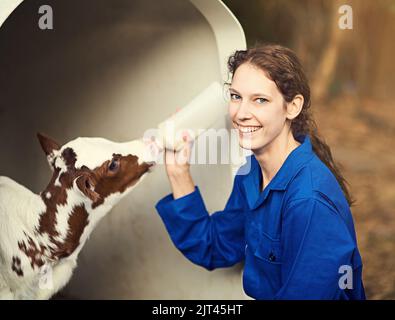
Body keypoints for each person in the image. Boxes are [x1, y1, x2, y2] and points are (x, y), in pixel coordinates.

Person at [155, 44, 365, 300]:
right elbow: (215, 246)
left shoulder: (309, 200)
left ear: (292, 107)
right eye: (235, 96)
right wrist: (178, 171)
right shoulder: (251, 172)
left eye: (260, 100)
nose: (241, 114)